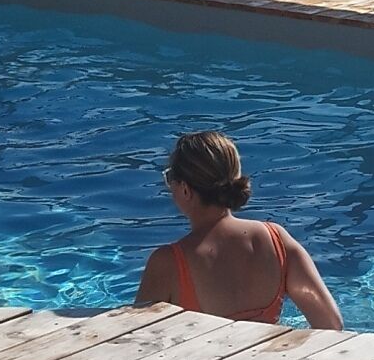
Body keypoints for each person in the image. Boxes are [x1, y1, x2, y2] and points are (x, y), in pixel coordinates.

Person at [134, 131, 345, 329]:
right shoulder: (276, 240)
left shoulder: (168, 262)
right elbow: (331, 324)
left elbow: (137, 339)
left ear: (185, 189)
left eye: (170, 178)